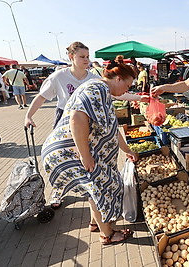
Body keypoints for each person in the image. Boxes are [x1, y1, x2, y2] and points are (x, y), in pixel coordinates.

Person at [41, 55, 137, 245]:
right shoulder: (97, 88)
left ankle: (96, 223)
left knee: (96, 186)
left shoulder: (103, 91)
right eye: (127, 85)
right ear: (118, 79)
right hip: (69, 152)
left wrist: (127, 149)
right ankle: (107, 234)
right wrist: (85, 155)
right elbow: (76, 118)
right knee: (101, 186)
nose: (127, 90)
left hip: (70, 151)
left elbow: (110, 127)